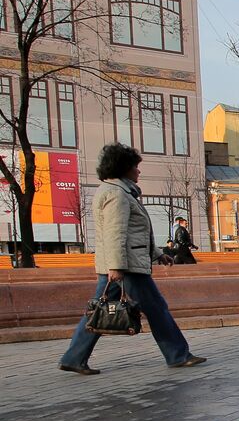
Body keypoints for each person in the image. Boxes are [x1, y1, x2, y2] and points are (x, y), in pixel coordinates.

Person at [59, 143, 206, 375]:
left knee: (98, 310)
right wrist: (116, 267)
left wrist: (159, 254)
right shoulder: (117, 195)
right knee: (156, 308)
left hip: (123, 265)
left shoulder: (119, 192)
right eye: (135, 167)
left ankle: (73, 357)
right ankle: (178, 355)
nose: (139, 171)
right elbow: (115, 233)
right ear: (123, 168)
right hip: (126, 268)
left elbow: (136, 234)